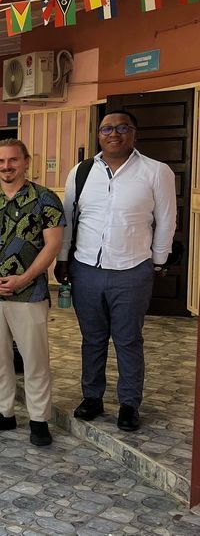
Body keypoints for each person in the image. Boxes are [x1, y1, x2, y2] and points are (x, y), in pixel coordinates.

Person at [56, 110, 177, 432]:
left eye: (122, 128)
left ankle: (128, 404)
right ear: (98, 134)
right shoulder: (81, 172)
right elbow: (68, 218)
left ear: (134, 133)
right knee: (92, 339)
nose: (114, 134)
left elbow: (167, 219)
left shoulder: (156, 171)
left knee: (128, 340)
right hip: (86, 268)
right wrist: (63, 258)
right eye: (107, 129)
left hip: (132, 269)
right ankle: (92, 397)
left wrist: (159, 261)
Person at [0, 139, 64, 446]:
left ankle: (39, 420)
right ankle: (3, 412)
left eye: (12, 160)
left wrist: (24, 278)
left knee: (35, 359)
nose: (6, 166)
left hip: (29, 293)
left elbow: (53, 245)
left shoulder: (45, 199)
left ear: (26, 161)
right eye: (0, 161)